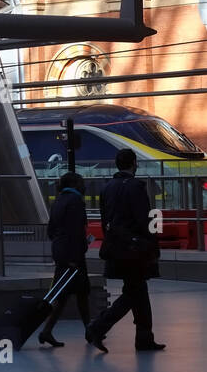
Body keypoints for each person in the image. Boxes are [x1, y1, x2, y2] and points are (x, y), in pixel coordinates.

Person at [85, 148, 165, 352]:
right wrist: (152, 246)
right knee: (134, 292)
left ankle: (145, 337)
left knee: (138, 290)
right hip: (134, 250)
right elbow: (144, 220)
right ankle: (98, 326)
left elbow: (105, 221)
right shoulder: (136, 187)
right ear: (134, 163)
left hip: (115, 248)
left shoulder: (107, 187)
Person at [37, 171, 91, 346]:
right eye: (81, 182)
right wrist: (76, 255)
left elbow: (51, 230)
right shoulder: (75, 201)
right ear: (75, 184)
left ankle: (48, 331)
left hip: (61, 252)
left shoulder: (58, 200)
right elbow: (76, 231)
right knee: (77, 293)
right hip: (73, 255)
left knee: (67, 294)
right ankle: (90, 331)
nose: (84, 186)